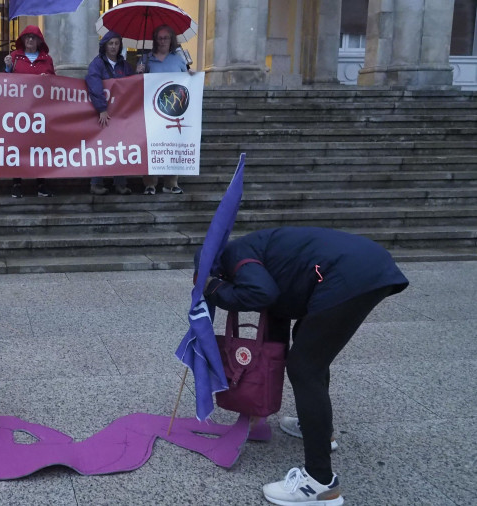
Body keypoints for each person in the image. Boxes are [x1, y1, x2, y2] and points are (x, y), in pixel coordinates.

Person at [195, 227, 409, 505]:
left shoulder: (235, 256)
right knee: (309, 351)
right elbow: (278, 313)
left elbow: (261, 293)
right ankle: (319, 431)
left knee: (305, 368)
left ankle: (319, 483)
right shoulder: (251, 250)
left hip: (346, 274)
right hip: (359, 264)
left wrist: (214, 290)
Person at [138, 25, 194, 196]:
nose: (162, 41)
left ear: (172, 40)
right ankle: (150, 183)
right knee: (151, 147)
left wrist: (194, 77)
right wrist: (138, 73)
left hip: (174, 112)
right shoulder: (146, 60)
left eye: (166, 38)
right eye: (160, 38)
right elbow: (137, 85)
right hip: (151, 111)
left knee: (172, 146)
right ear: (155, 40)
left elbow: (187, 81)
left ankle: (171, 183)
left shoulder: (178, 60)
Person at [3, 25, 55, 198]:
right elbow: (5, 84)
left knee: (40, 146)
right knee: (18, 146)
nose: (30, 40)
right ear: (23, 40)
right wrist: (8, 68)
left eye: (34, 37)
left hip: (41, 110)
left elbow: (55, 83)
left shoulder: (47, 59)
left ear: (39, 40)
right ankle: (17, 183)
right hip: (19, 110)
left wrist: (48, 80)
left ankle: (41, 183)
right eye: (27, 37)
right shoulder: (14, 58)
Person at [85, 31, 137, 196]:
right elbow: (94, 84)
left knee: (121, 147)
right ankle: (96, 183)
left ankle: (120, 183)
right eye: (111, 43)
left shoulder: (125, 66)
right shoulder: (97, 64)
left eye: (116, 43)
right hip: (104, 113)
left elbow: (133, 86)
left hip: (121, 114)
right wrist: (102, 108)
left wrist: (139, 74)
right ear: (105, 45)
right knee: (101, 147)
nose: (114, 46)